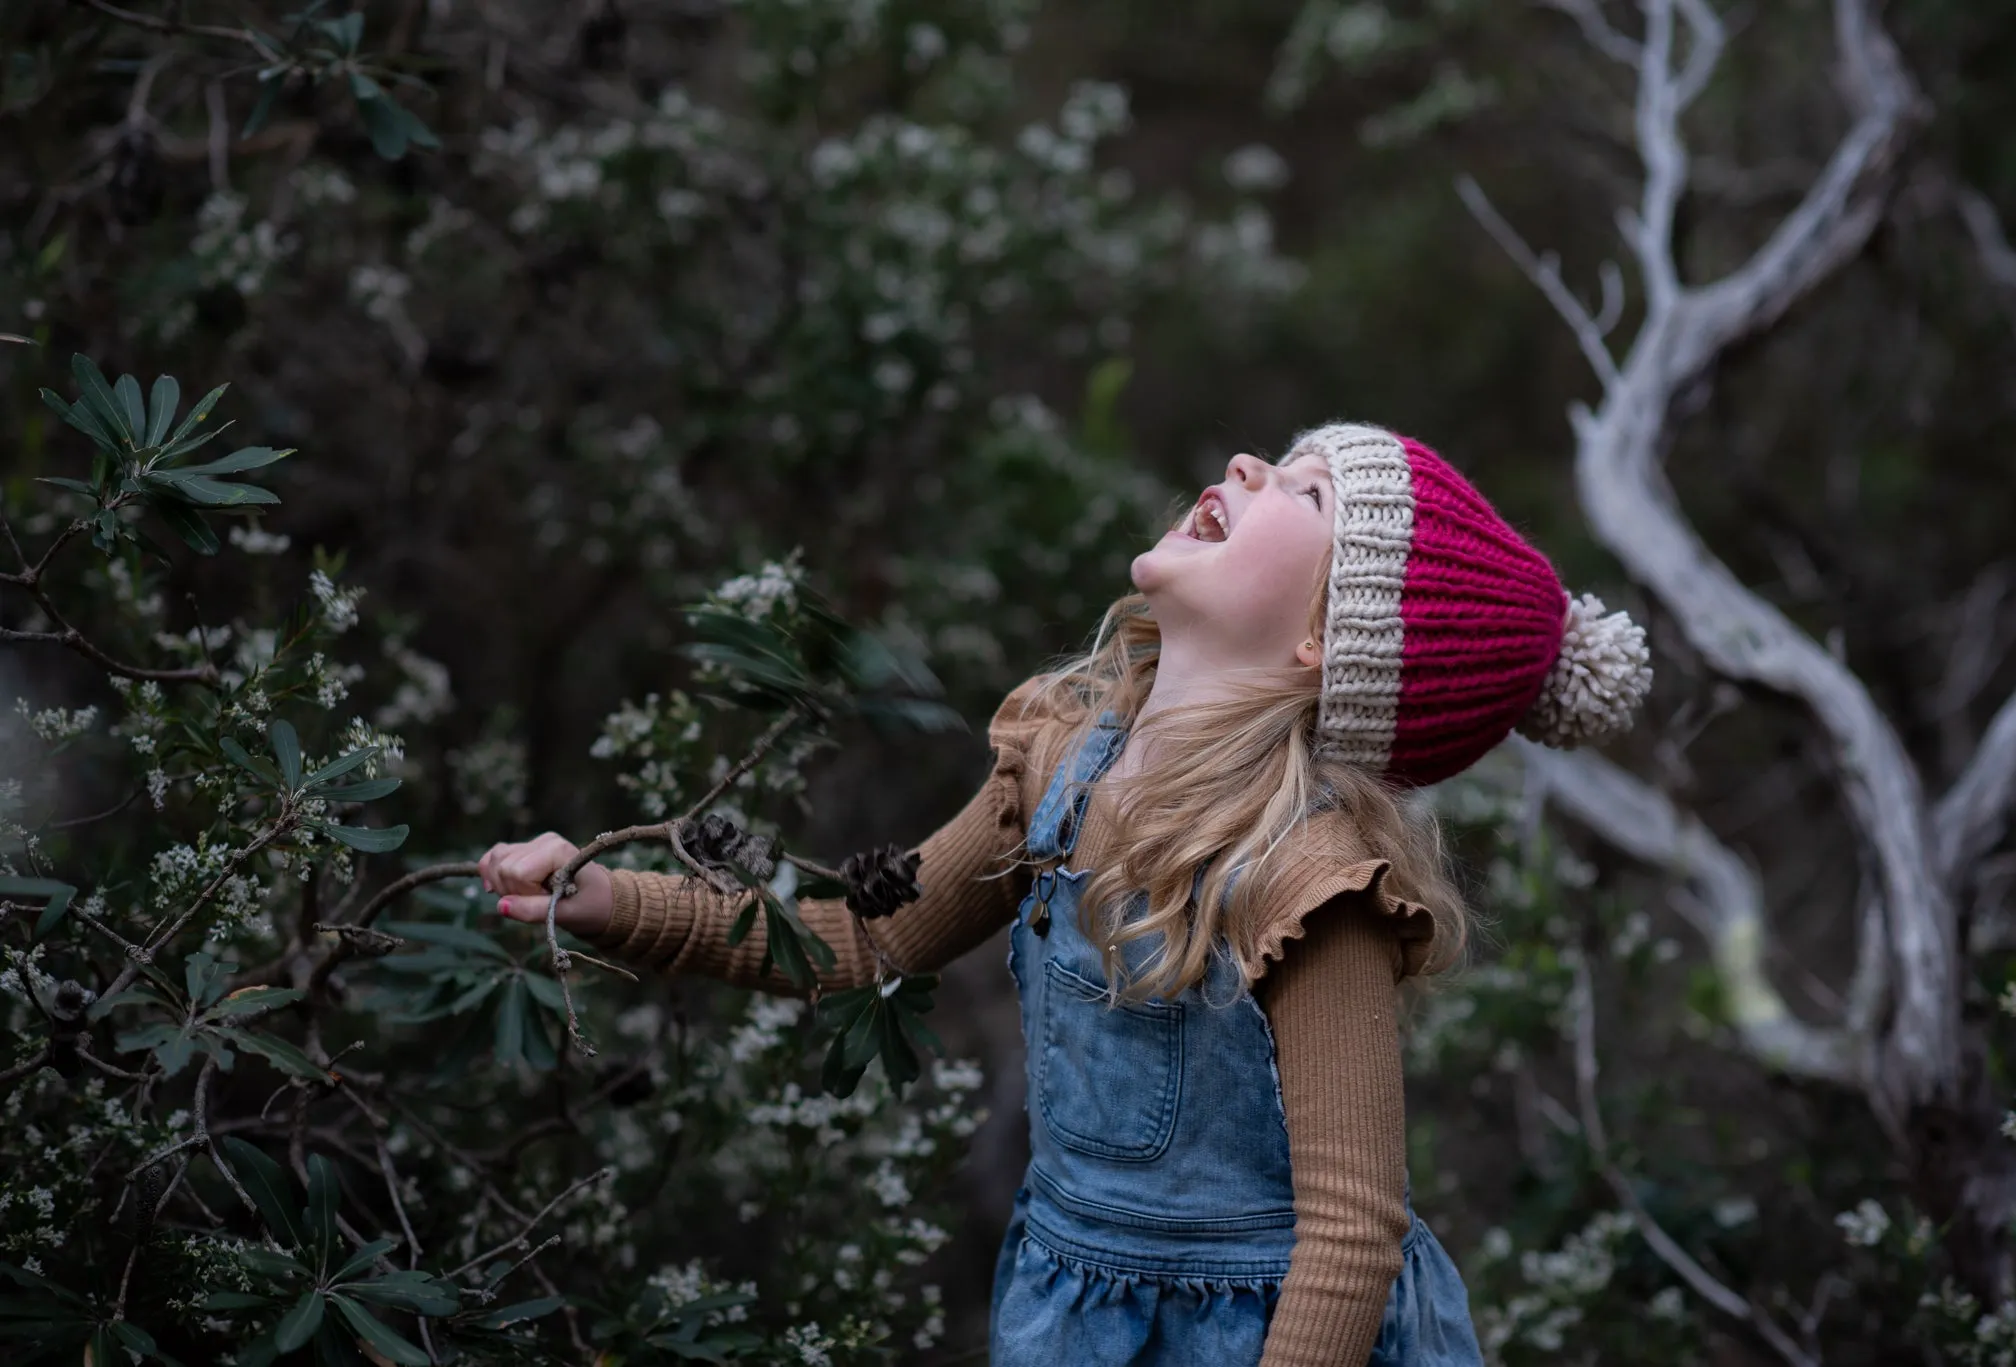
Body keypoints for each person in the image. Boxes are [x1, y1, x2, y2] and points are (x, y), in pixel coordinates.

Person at [479, 422, 1652, 1365]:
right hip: (1077, 1316)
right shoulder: (1061, 756)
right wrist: (609, 899)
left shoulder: (1306, 877)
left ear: (1320, 641)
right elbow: (863, 936)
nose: (1248, 463)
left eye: (1303, 493)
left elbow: (1350, 1233)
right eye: (1280, 456)